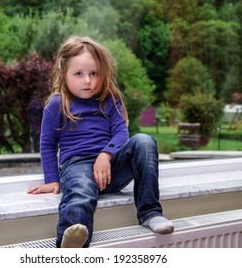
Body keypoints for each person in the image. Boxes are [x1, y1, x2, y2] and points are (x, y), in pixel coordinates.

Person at [28, 36, 174, 248]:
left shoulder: (109, 99)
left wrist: (106, 155)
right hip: (77, 167)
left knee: (144, 141)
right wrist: (52, 179)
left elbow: (121, 132)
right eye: (78, 74)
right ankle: (71, 241)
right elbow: (47, 144)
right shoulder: (57, 104)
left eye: (94, 73)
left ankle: (150, 212)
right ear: (64, 73)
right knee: (81, 191)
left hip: (110, 168)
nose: (87, 80)